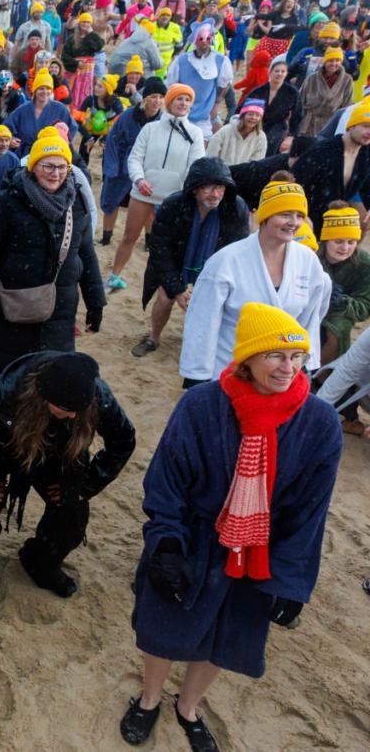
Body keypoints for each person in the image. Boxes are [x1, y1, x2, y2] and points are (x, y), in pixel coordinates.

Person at [121, 304, 340, 752]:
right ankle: (148, 698)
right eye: (276, 356)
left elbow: (309, 510)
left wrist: (291, 581)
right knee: (164, 626)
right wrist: (165, 546)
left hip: (260, 551)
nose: (289, 367)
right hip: (194, 537)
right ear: (248, 359)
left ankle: (189, 707)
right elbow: (167, 479)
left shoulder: (320, 422)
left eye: (297, 357)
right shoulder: (201, 405)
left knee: (226, 636)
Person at [0, 351, 135, 596]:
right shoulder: (5, 392)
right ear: (44, 396)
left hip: (61, 454)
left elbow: (124, 440)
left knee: (72, 512)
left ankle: (40, 561)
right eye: (67, 408)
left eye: (79, 410)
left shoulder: (94, 394)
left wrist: (85, 486)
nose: (74, 415)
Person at [0, 132, 105, 387]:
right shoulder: (5, 203)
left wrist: (96, 301)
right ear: (32, 167)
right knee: (1, 381)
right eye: (48, 166)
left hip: (58, 312)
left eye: (62, 166)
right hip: (9, 308)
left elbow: (86, 253)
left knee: (47, 385)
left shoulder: (75, 205)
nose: (55, 173)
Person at [180, 180, 331, 387]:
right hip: (230, 369)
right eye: (285, 214)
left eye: (299, 216)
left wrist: (305, 361)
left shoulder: (308, 261)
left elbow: (309, 320)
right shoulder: (226, 261)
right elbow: (202, 322)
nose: (293, 222)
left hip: (282, 375)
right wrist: (196, 375)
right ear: (265, 216)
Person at [132, 157, 251, 358]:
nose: (216, 194)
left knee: (213, 305)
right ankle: (153, 337)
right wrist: (177, 289)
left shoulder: (235, 208)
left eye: (220, 187)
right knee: (164, 298)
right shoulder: (173, 205)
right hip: (179, 258)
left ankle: (204, 343)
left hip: (215, 263)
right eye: (209, 188)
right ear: (194, 188)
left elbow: (237, 252)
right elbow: (160, 249)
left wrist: (213, 282)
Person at [105, 83, 204, 293]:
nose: (183, 103)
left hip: (173, 199)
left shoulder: (195, 133)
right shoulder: (150, 129)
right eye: (179, 98)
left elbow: (195, 167)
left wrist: (182, 193)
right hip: (143, 193)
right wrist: (139, 180)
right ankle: (114, 276)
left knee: (164, 245)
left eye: (187, 100)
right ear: (170, 102)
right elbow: (135, 158)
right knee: (129, 237)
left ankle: (163, 284)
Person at [100, 78, 165, 246]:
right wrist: (112, 168)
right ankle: (106, 238)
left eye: (160, 97)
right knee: (111, 200)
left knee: (149, 205)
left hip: (148, 168)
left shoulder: (164, 121)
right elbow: (113, 141)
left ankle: (149, 242)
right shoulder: (128, 116)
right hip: (122, 165)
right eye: (153, 96)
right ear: (144, 98)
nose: (157, 101)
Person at [290, 105, 370, 236]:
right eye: (365, 126)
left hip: (334, 218)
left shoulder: (366, 154)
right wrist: (300, 213)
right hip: (309, 213)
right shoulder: (325, 149)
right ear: (351, 126)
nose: (369, 132)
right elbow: (294, 181)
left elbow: (366, 186)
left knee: (362, 226)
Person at [316, 204, 370, 363]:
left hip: (339, 313)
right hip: (308, 308)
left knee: (338, 328)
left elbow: (365, 306)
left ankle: (322, 375)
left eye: (351, 242)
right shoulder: (310, 256)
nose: (345, 248)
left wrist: (342, 301)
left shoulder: (365, 265)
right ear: (326, 240)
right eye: (338, 241)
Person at [165, 20, 233, 140]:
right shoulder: (181, 61)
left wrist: (216, 105)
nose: (204, 44)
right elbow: (171, 85)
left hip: (205, 116)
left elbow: (224, 85)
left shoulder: (220, 61)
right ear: (195, 41)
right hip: (181, 113)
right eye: (200, 39)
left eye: (207, 40)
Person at [4, 68, 77, 157]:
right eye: (41, 88)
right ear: (35, 90)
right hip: (25, 154)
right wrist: (10, 139)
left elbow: (72, 128)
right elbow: (6, 128)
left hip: (50, 153)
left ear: (51, 91)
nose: (45, 92)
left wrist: (63, 143)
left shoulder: (60, 109)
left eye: (48, 88)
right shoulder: (23, 110)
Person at [238, 57, 304, 155]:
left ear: (286, 74)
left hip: (278, 126)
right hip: (256, 123)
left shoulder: (292, 92)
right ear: (270, 73)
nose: (279, 74)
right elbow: (241, 109)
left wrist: (292, 136)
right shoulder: (258, 91)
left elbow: (298, 116)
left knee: (272, 141)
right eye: (276, 71)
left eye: (283, 71)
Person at [299, 48, 355, 137]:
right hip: (309, 124)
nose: (334, 64)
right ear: (325, 62)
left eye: (337, 61)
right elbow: (300, 101)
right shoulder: (311, 78)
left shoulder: (347, 80)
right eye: (330, 60)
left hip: (331, 125)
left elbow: (347, 106)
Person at [206, 97, 267, 165]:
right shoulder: (225, 131)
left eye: (257, 115)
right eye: (250, 114)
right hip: (220, 172)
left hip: (243, 174)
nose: (253, 118)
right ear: (243, 116)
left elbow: (256, 163)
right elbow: (211, 154)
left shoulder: (261, 137)